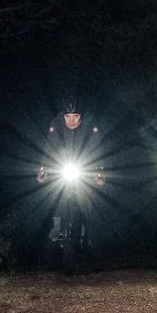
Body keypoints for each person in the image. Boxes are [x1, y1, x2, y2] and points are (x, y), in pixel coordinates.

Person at [36, 98, 105, 242]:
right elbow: (49, 147)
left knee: (88, 195)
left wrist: (99, 173)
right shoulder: (56, 124)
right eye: (68, 117)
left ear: (81, 116)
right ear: (63, 116)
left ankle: (87, 228)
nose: (72, 121)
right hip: (63, 164)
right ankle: (57, 224)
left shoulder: (90, 123)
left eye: (75, 117)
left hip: (84, 165)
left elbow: (96, 148)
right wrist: (43, 171)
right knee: (54, 191)